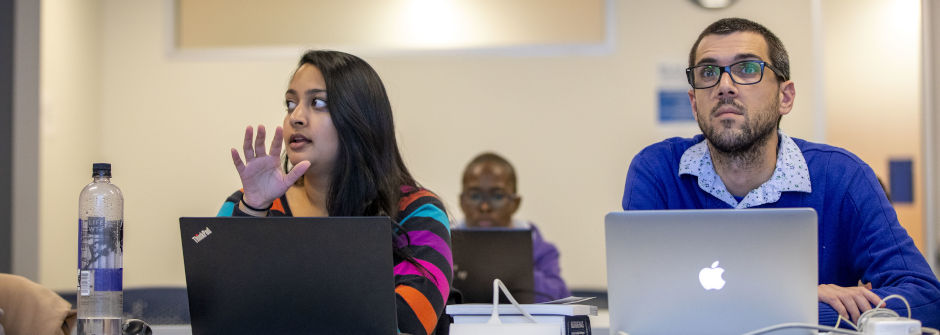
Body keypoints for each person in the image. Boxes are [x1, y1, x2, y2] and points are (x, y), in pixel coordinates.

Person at [621, 18, 940, 327]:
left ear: (785, 97)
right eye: (708, 72)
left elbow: (925, 300)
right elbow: (639, 306)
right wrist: (799, 304)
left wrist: (743, 314)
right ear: (694, 103)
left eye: (747, 69)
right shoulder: (657, 170)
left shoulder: (842, 176)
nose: (725, 86)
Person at [218, 50, 452, 335]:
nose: (296, 117)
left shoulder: (419, 212)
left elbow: (407, 323)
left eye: (318, 103)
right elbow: (220, 313)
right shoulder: (246, 203)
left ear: (361, 119)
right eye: (290, 103)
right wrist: (254, 209)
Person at [456, 152, 570, 302]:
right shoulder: (443, 243)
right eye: (475, 196)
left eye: (497, 196)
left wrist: (512, 266)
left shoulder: (539, 248)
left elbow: (559, 297)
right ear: (462, 201)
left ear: (515, 203)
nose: (484, 207)